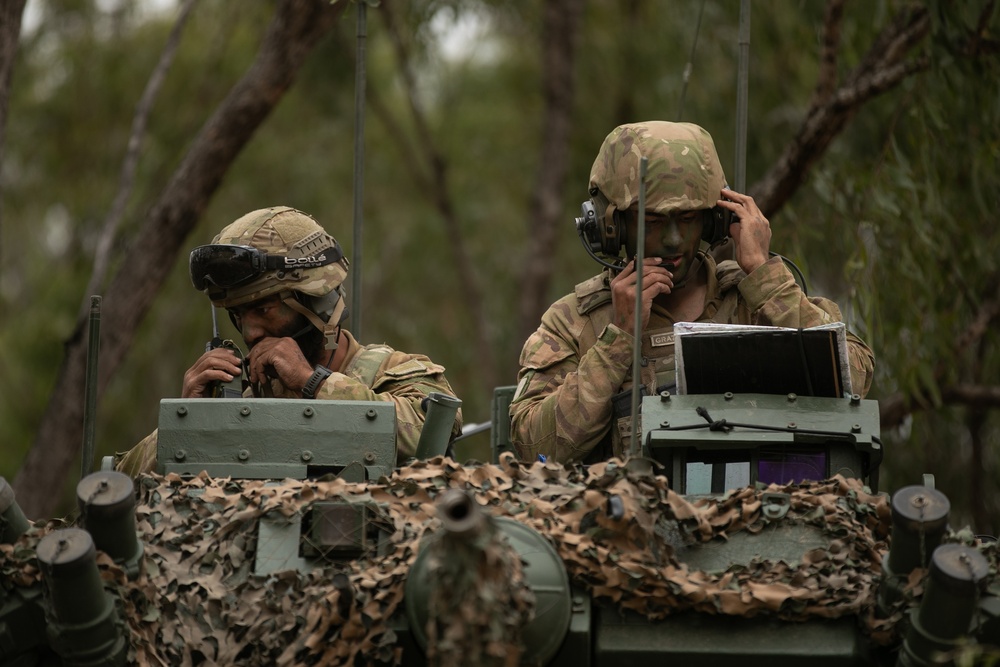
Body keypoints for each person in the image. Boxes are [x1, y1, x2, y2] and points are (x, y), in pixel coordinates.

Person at [509, 121, 874, 464]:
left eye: (687, 219)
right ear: (611, 228)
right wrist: (618, 338)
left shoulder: (753, 299)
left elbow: (854, 381)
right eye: (651, 222)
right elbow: (532, 450)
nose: (672, 240)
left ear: (715, 218)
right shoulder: (574, 322)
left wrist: (767, 279)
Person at [116, 205, 462, 475]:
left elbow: (436, 432)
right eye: (238, 315)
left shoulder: (393, 372)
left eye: (264, 309)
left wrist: (314, 384)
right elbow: (116, 486)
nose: (250, 332)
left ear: (318, 303)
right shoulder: (241, 403)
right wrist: (188, 420)